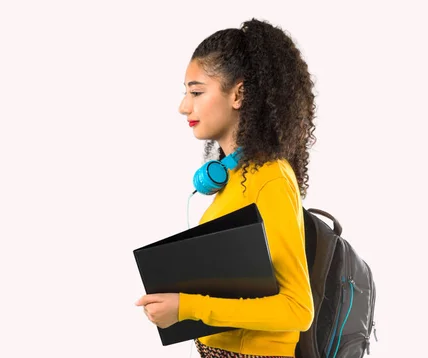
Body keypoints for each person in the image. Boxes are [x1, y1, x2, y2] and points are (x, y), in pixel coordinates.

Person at [135, 18, 317, 358]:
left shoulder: (271, 178)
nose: (183, 106)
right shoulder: (234, 177)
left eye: (196, 91)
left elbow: (298, 309)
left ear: (239, 94)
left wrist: (187, 306)